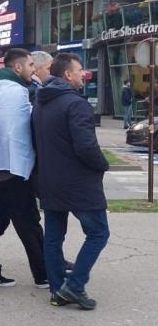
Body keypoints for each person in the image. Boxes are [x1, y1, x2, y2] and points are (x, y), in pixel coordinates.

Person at [33, 53, 110, 310]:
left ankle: (58, 291)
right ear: (67, 74)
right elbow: (86, 146)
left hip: (49, 180)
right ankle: (74, 286)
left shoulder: (41, 101)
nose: (82, 74)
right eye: (79, 70)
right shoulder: (76, 104)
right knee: (98, 233)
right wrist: (102, 165)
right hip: (78, 183)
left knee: (54, 237)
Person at [0, 48, 47, 288]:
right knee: (29, 223)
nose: (34, 70)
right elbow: (21, 133)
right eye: (31, 65)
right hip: (11, 168)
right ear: (18, 67)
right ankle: (43, 274)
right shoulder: (15, 92)